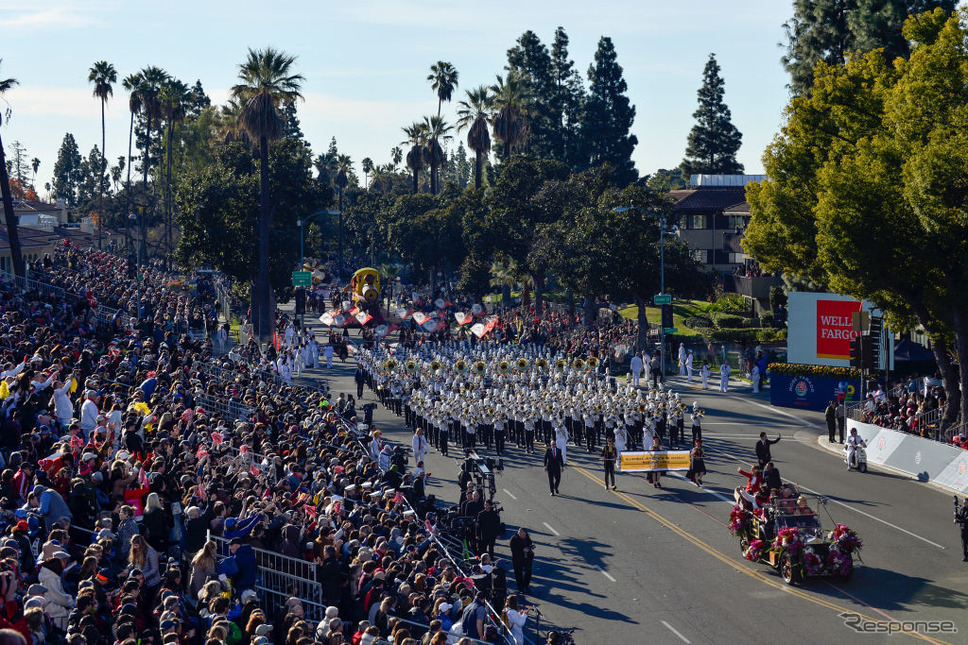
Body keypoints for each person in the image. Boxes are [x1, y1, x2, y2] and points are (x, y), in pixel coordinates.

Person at [509, 528, 534, 594]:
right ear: (519, 533)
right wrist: (523, 550)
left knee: (528, 572)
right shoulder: (514, 539)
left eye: (525, 535)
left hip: (527, 558)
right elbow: (514, 550)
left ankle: (526, 585)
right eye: (523, 535)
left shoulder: (526, 537)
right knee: (518, 574)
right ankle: (520, 588)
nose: (524, 536)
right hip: (518, 559)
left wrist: (528, 548)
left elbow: (530, 543)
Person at [955, 497, 968, 562]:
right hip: (963, 529)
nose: (964, 504)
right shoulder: (962, 509)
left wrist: (958, 521)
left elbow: (966, 520)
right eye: (963, 503)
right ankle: (966, 557)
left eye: (965, 503)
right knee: (964, 544)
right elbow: (961, 518)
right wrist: (957, 515)